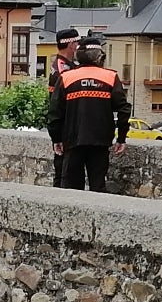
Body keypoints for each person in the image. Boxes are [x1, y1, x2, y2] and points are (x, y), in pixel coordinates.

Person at [47, 35, 131, 191]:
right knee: (98, 187)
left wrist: (56, 138)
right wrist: (121, 138)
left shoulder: (66, 77)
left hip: (72, 141)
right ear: (100, 57)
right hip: (100, 142)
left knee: (71, 189)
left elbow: (55, 112)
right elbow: (123, 109)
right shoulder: (110, 77)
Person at [47, 27, 81, 186]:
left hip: (66, 125)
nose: (78, 46)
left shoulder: (65, 65)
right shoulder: (62, 69)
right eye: (76, 42)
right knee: (63, 172)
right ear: (71, 45)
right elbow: (57, 103)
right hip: (65, 126)